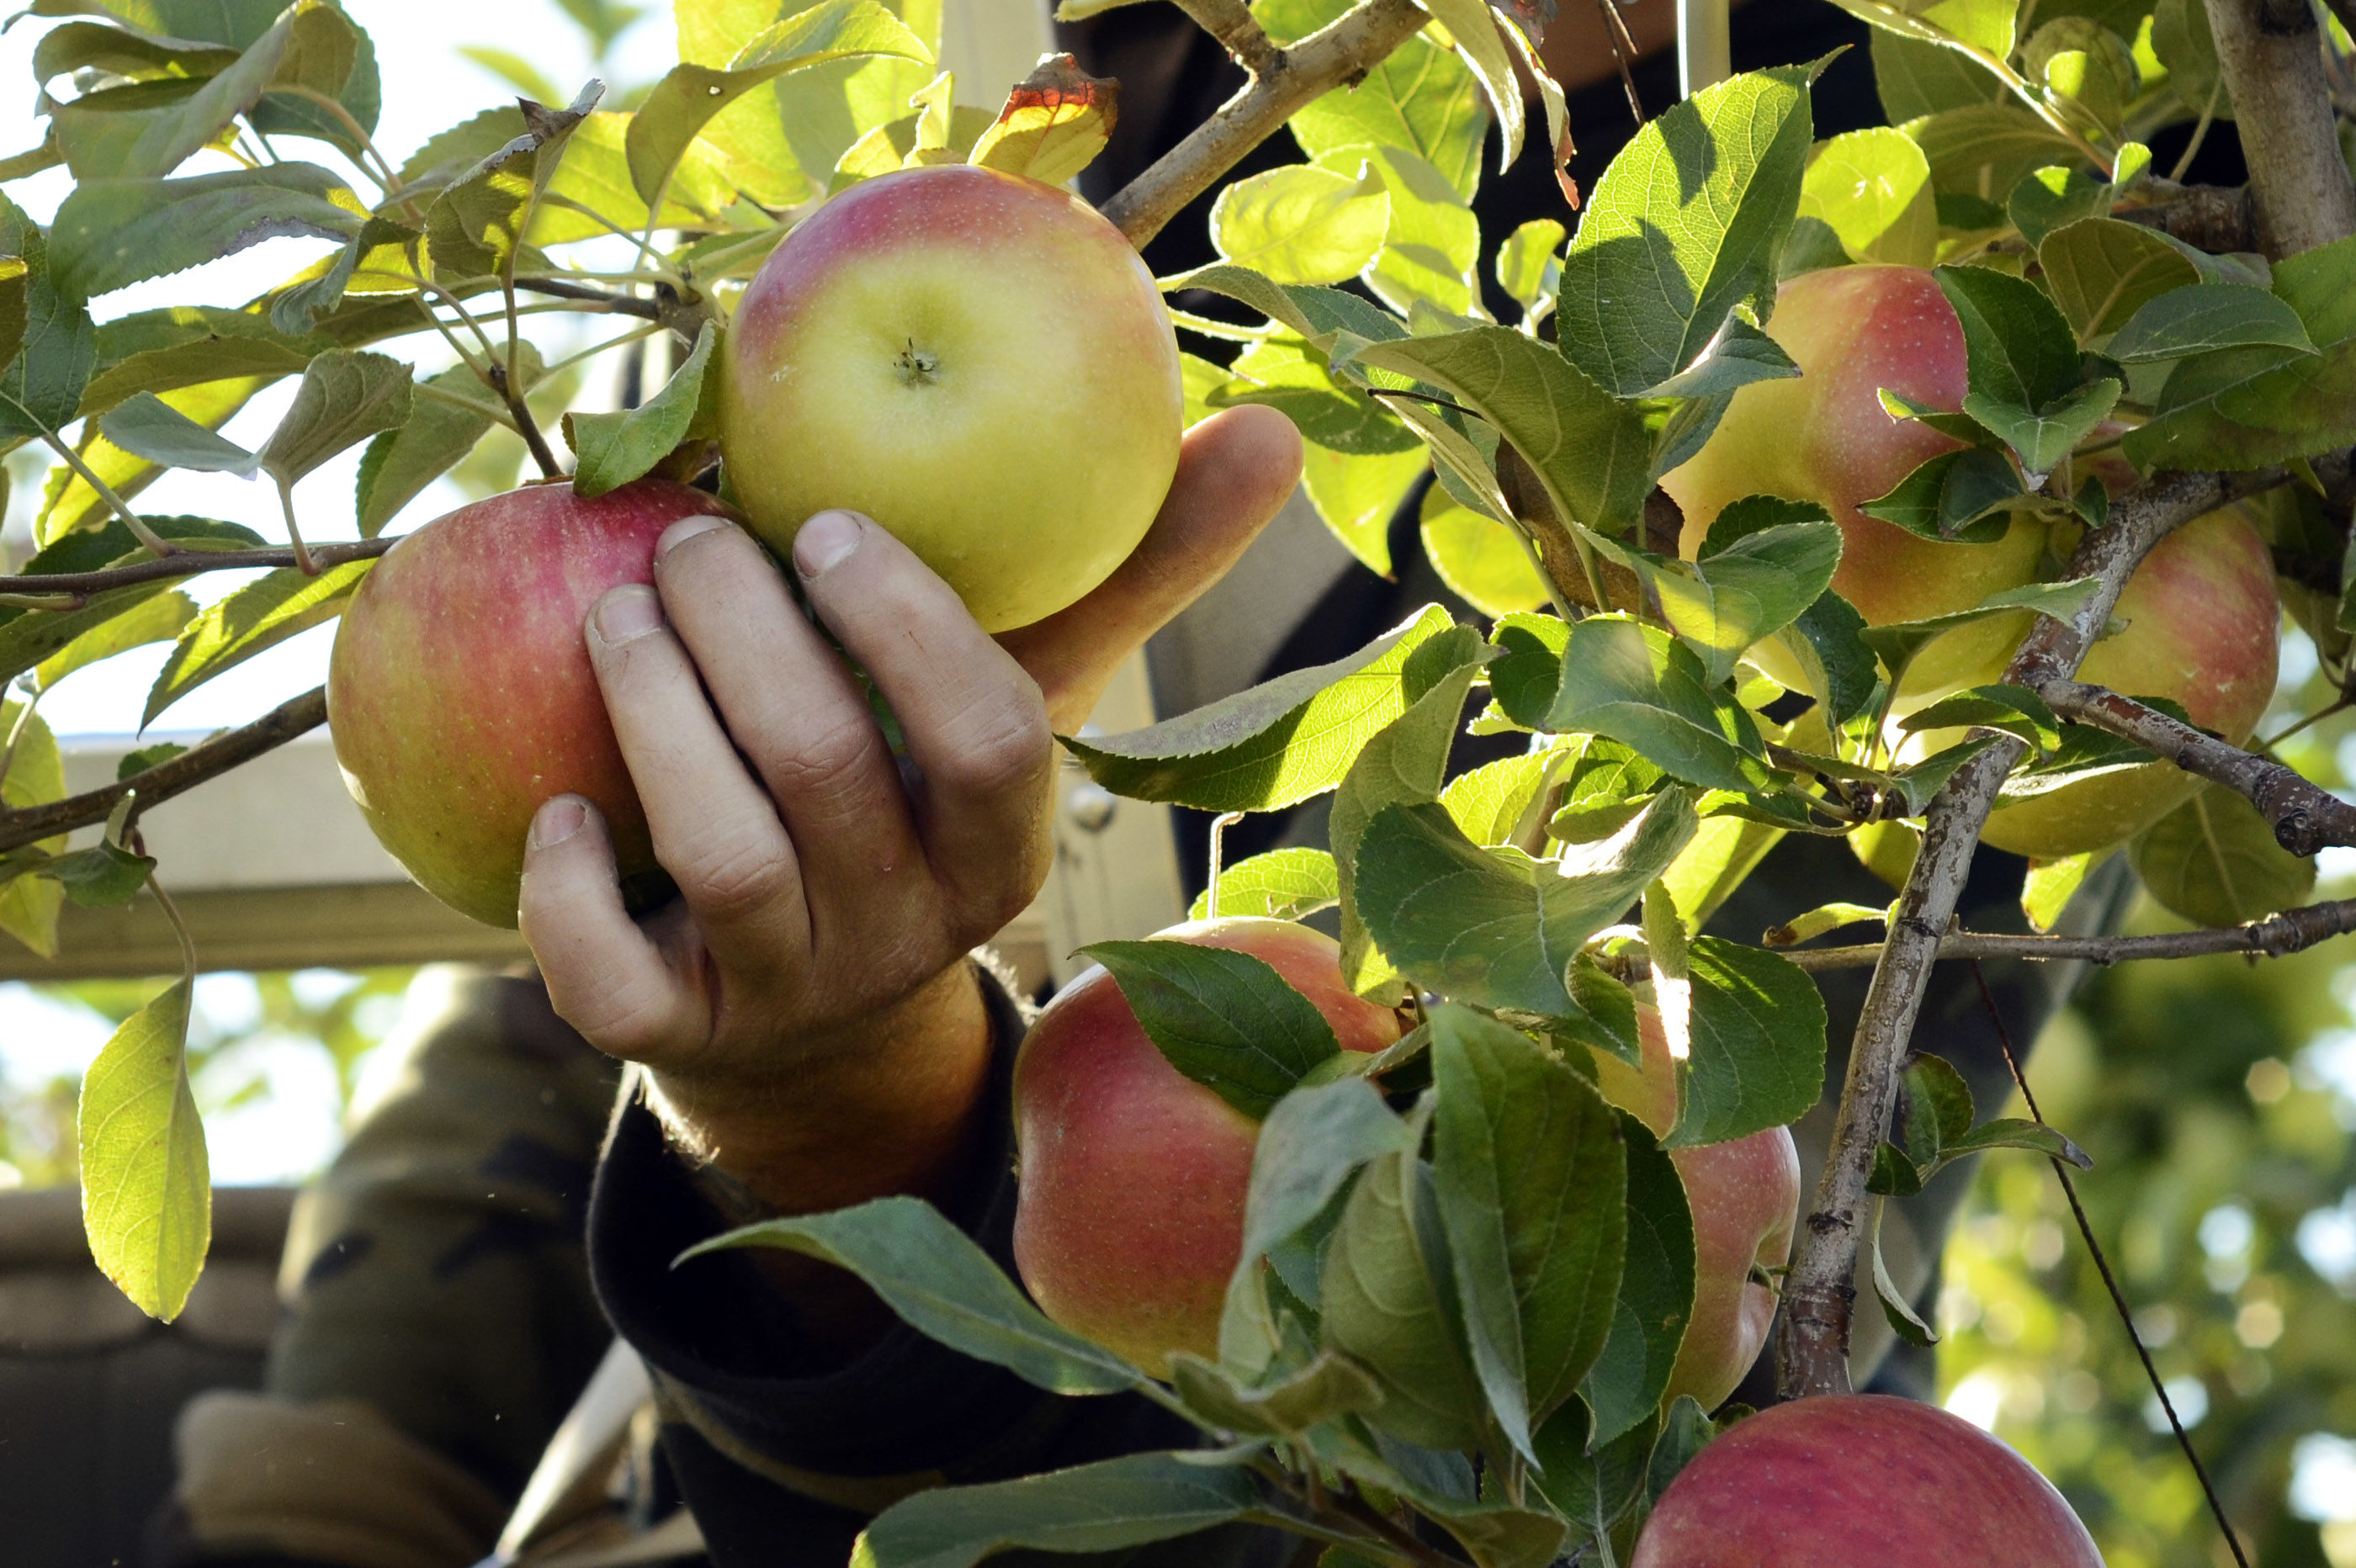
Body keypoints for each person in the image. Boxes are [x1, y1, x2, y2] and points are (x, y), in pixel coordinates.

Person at [153, 3, 2165, 1563]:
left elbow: (1504, 1353)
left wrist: (848, 1114)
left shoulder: (2007, 255)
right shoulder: (911, 156)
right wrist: (323, 1494)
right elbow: (534, 1016)